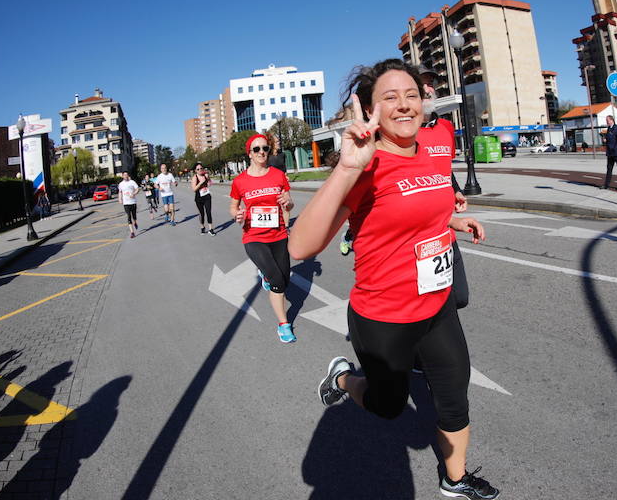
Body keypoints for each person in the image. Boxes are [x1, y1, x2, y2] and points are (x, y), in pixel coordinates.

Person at [289, 59, 499, 499]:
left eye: (411, 95)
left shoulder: (428, 152)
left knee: (454, 394)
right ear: (370, 110)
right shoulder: (366, 165)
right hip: (384, 315)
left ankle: (455, 480)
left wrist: (455, 224)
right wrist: (346, 168)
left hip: (437, 303)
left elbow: (425, 211)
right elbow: (300, 248)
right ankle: (343, 379)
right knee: (387, 405)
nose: (404, 105)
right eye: (390, 97)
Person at [229, 134, 297, 343]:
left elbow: (289, 204)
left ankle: (267, 276)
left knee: (284, 280)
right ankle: (284, 324)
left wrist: (288, 203)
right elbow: (233, 206)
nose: (261, 153)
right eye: (257, 149)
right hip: (253, 237)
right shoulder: (240, 181)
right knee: (277, 282)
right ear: (249, 153)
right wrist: (237, 214)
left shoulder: (278, 175)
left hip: (278, 234)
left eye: (265, 149)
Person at [416, 62, 471, 310]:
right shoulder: (404, 131)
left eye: (431, 83)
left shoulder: (446, 128)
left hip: (445, 226)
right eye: (423, 83)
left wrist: (456, 190)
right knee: (431, 303)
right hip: (418, 231)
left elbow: (445, 167)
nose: (429, 89)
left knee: (459, 297)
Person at [191, 162, 216, 235]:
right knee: (202, 214)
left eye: (201, 168)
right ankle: (202, 227)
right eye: (198, 169)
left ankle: (210, 229)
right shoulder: (194, 178)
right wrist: (200, 183)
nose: (200, 170)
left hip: (207, 196)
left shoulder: (205, 175)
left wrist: (209, 179)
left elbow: (210, 184)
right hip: (199, 198)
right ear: (195, 170)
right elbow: (194, 189)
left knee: (208, 212)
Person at [601, 115, 617, 189]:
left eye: (607, 120)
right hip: (610, 153)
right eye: (606, 120)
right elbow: (609, 139)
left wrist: (615, 149)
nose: (606, 122)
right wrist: (605, 140)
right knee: (609, 169)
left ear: (611, 120)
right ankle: (606, 185)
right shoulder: (608, 129)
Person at [118, 171, 139, 238]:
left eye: (127, 175)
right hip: (126, 203)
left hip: (132, 202)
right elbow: (120, 192)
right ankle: (132, 232)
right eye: (124, 175)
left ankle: (135, 222)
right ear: (122, 176)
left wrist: (134, 194)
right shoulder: (121, 184)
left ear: (128, 176)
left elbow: (137, 189)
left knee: (134, 216)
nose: (126, 176)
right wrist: (120, 199)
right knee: (129, 217)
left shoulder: (132, 182)